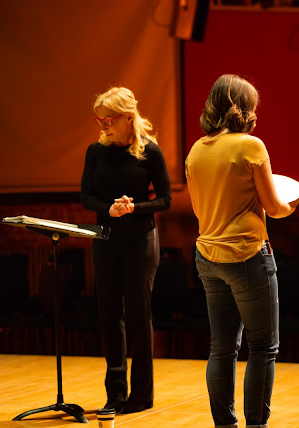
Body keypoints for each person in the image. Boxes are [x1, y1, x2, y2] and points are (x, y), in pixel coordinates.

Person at [185, 74, 299, 428]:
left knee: (221, 348)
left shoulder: (195, 150)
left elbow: (199, 209)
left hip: (207, 256)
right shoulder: (251, 146)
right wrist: (294, 201)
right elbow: (274, 207)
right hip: (247, 256)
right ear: (242, 108)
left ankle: (225, 425)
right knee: (263, 347)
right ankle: (256, 426)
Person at [81, 86, 171, 414]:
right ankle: (115, 394)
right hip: (105, 237)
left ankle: (141, 396)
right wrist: (109, 210)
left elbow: (165, 199)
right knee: (108, 315)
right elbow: (86, 196)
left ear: (128, 117)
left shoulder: (150, 152)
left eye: (110, 119)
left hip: (140, 241)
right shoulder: (95, 151)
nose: (103, 124)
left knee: (137, 315)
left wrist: (134, 208)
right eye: (100, 119)